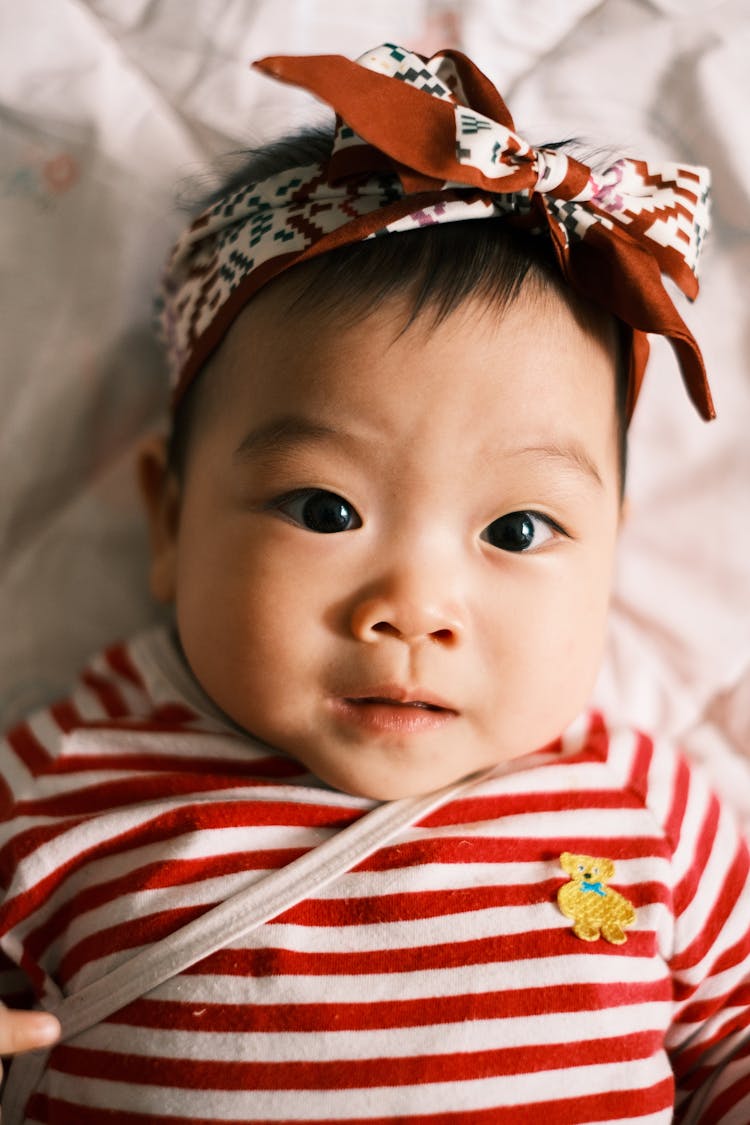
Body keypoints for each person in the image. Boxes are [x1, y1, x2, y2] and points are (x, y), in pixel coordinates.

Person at [0, 41, 746, 1124]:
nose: (413, 608)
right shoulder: (53, 783)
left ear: (612, 551)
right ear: (170, 516)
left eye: (520, 527)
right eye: (324, 510)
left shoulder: (652, 814)